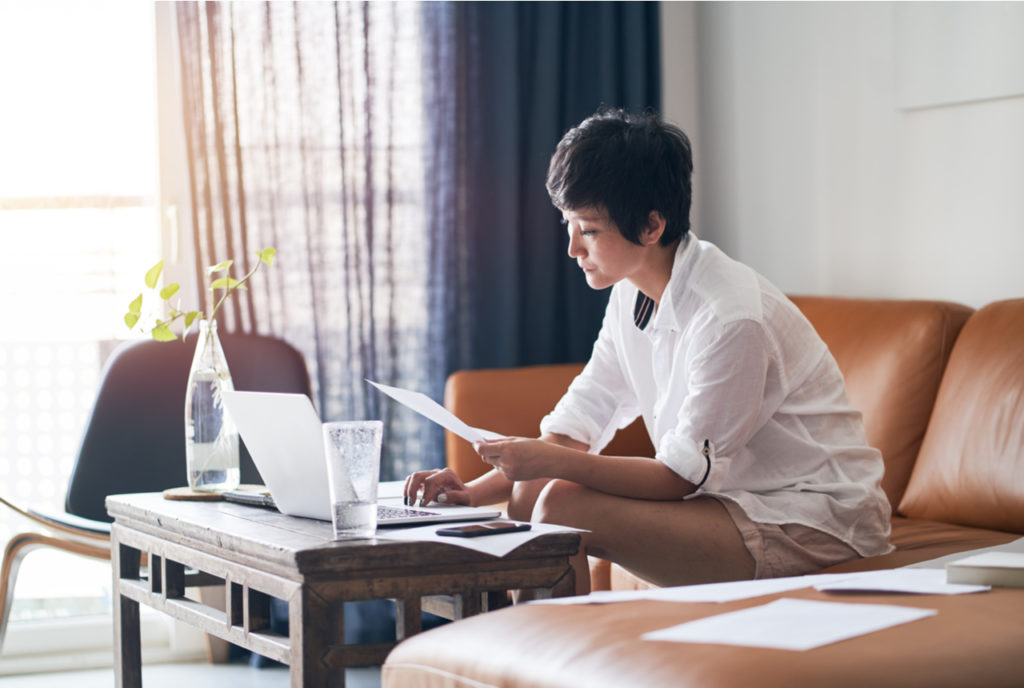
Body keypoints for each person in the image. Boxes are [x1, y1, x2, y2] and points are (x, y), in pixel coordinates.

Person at [404, 107, 892, 595]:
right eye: (568, 225)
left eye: (589, 230)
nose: (573, 248)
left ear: (652, 226)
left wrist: (552, 466)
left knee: (561, 504)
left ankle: (561, 660)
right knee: (537, 491)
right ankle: (535, 655)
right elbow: (580, 422)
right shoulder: (630, 292)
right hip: (733, 503)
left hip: (813, 521)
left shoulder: (730, 317)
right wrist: (472, 493)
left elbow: (678, 478)